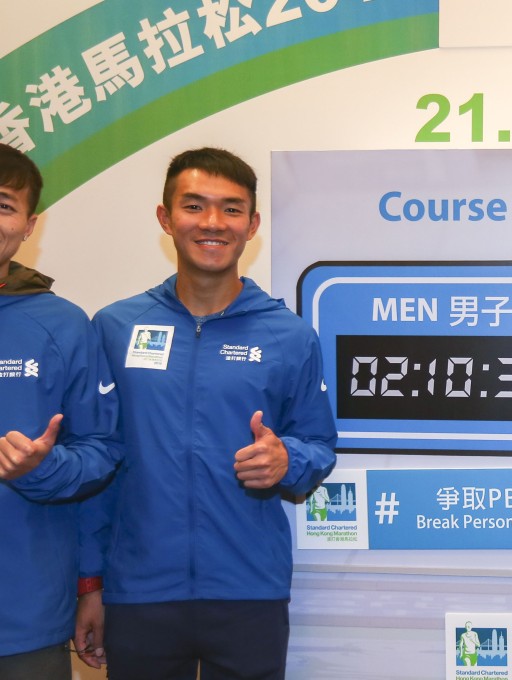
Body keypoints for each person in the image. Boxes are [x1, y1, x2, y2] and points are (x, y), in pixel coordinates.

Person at [76, 147, 337, 679]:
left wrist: (287, 459)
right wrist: (90, 585)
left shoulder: (289, 335)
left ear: (253, 224)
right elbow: (96, 463)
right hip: (139, 591)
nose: (213, 223)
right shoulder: (115, 327)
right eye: (194, 206)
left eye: (231, 209)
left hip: (249, 591)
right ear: (165, 217)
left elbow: (319, 445)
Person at [0, 143, 119, 679]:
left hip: (25, 616)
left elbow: (103, 452)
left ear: (30, 224)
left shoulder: (64, 325)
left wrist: (41, 469)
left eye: (3, 205)